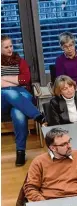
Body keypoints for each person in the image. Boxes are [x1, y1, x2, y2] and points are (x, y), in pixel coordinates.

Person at [1, 34, 45, 166]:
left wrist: (4, 79)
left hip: (22, 94)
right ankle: (37, 115)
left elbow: (25, 80)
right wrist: (15, 81)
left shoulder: (20, 61)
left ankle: (20, 152)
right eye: (6, 47)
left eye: (11, 46)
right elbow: (17, 82)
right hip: (3, 100)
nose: (10, 49)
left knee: (18, 112)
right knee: (9, 93)